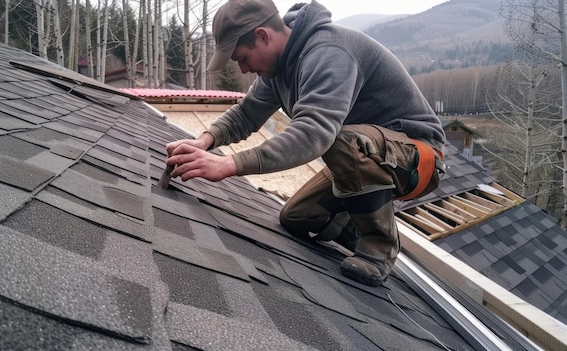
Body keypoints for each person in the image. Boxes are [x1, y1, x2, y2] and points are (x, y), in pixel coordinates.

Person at [165, 0, 446, 286]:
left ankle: (379, 250)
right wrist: (203, 141)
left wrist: (227, 164)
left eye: (243, 58)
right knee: (297, 217)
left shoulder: (329, 52)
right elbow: (247, 113)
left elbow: (314, 133)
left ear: (263, 36)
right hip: (365, 153)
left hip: (417, 158)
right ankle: (363, 231)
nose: (244, 69)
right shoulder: (277, 68)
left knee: (340, 141)